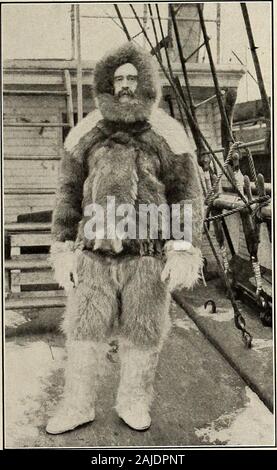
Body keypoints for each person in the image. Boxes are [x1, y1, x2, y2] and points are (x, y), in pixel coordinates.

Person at [46, 42, 204, 434]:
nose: (126, 86)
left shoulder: (167, 132)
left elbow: (186, 194)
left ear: (145, 81)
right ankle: (77, 406)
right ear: (108, 83)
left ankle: (133, 402)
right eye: (119, 79)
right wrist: (64, 248)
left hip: (146, 258)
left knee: (143, 333)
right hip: (94, 257)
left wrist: (182, 248)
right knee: (84, 333)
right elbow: (67, 194)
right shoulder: (86, 132)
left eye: (133, 78)